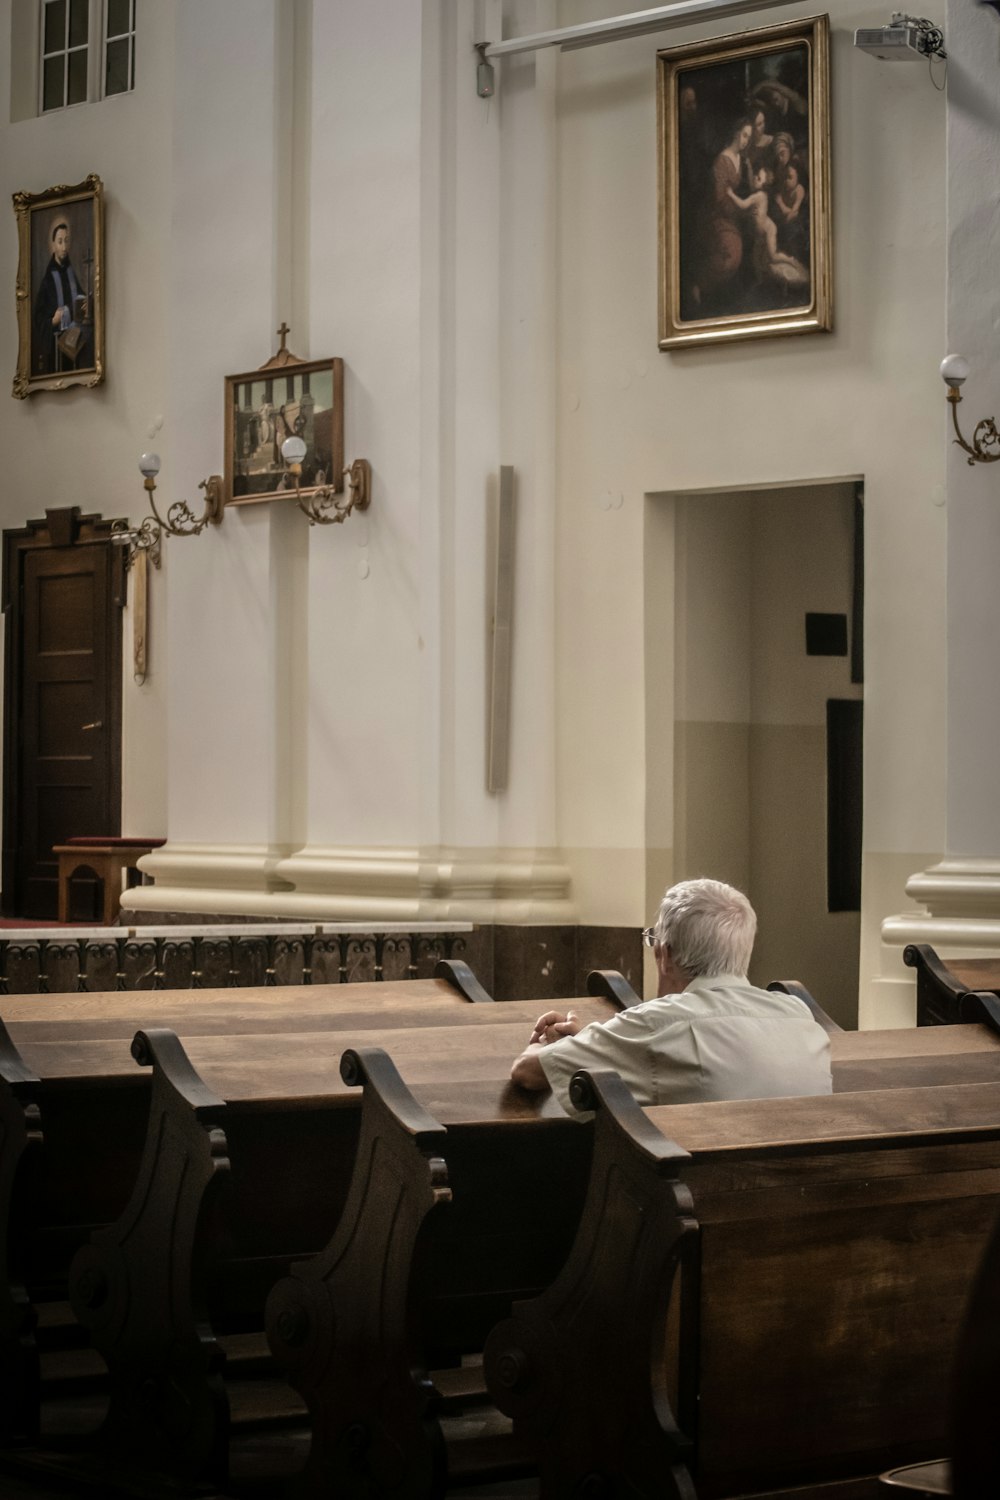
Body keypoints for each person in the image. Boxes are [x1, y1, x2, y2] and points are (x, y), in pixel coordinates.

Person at [510, 878, 832, 1113]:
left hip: (695, 1203)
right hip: (803, 1197)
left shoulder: (656, 1024)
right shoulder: (798, 1015)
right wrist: (598, 1046)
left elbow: (527, 1071)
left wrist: (548, 1044)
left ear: (665, 955)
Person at [31, 216, 91, 375]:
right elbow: (38, 317)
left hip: (75, 340)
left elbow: (80, 298)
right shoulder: (48, 279)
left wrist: (85, 304)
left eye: (67, 241)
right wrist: (52, 321)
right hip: (56, 346)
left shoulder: (71, 272)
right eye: (60, 241)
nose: (64, 246)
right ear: (53, 245)